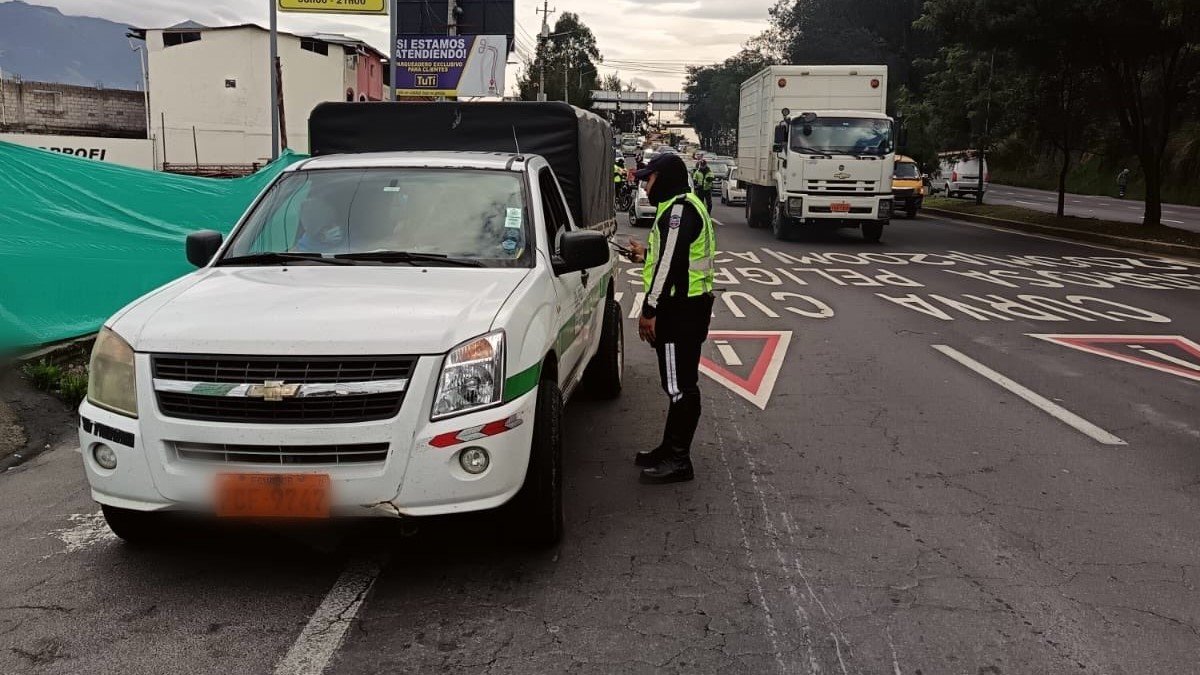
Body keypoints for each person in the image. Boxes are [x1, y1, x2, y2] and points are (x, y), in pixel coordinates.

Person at [624, 153, 716, 484]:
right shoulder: (683, 205)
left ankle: (679, 460)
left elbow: (671, 265)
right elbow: (673, 257)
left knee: (680, 387)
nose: (645, 186)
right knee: (677, 384)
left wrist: (650, 310)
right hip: (688, 306)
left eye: (649, 179)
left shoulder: (678, 210)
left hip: (680, 310)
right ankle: (669, 448)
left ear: (664, 179)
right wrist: (644, 255)